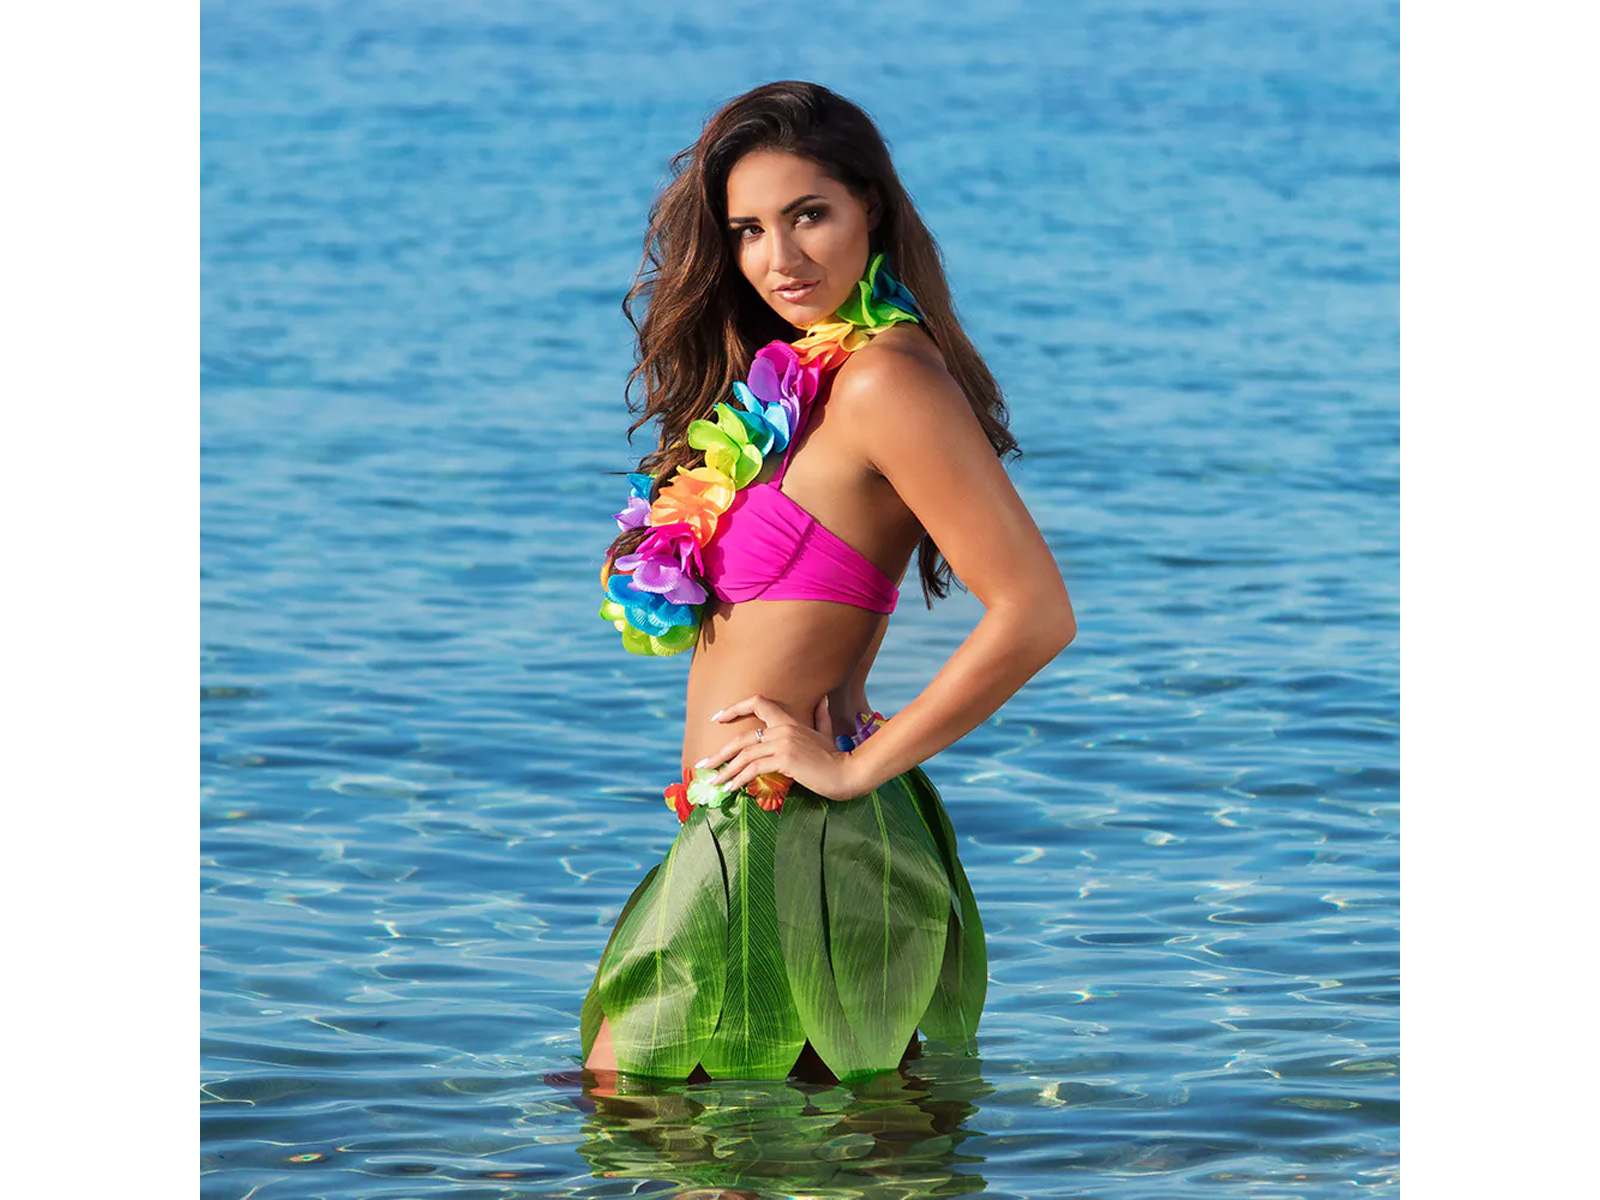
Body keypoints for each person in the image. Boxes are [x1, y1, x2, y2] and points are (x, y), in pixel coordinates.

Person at [583, 81, 1076, 1085]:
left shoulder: (887, 381)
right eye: (749, 230)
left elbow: (1035, 614)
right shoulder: (798, 380)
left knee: (637, 1105)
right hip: (745, 829)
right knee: (789, 1138)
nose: (780, 257)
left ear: (870, 210)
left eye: (809, 215)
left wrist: (854, 771)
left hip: (797, 832)